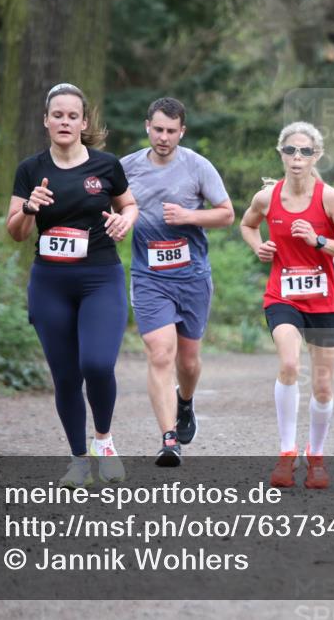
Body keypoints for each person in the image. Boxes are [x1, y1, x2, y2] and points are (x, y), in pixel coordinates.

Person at [7, 83, 138, 487]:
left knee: (97, 363)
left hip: (100, 277)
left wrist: (124, 221)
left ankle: (104, 441)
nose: (65, 122)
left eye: (72, 116)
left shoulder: (105, 166)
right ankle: (78, 460)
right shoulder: (30, 169)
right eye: (57, 115)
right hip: (50, 281)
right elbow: (15, 231)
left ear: (84, 122)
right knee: (65, 375)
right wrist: (30, 207)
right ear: (46, 121)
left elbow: (129, 205)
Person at [239, 121, 334, 489]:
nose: (297, 158)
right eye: (291, 150)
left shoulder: (330, 198)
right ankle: (286, 453)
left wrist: (319, 240)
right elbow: (247, 225)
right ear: (281, 153)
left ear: (316, 156)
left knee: (323, 387)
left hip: (324, 300)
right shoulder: (267, 198)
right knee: (290, 363)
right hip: (283, 296)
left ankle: (317, 456)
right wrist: (256, 246)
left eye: (305, 151)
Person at [121, 98, 234, 466]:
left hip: (192, 277)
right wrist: (116, 221)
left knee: (188, 361)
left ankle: (185, 402)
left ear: (182, 131)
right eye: (158, 130)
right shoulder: (127, 168)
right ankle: (169, 440)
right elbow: (111, 206)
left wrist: (189, 215)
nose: (164, 137)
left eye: (171, 131)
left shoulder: (198, 167)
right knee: (160, 352)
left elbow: (227, 215)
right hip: (149, 276)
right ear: (147, 127)